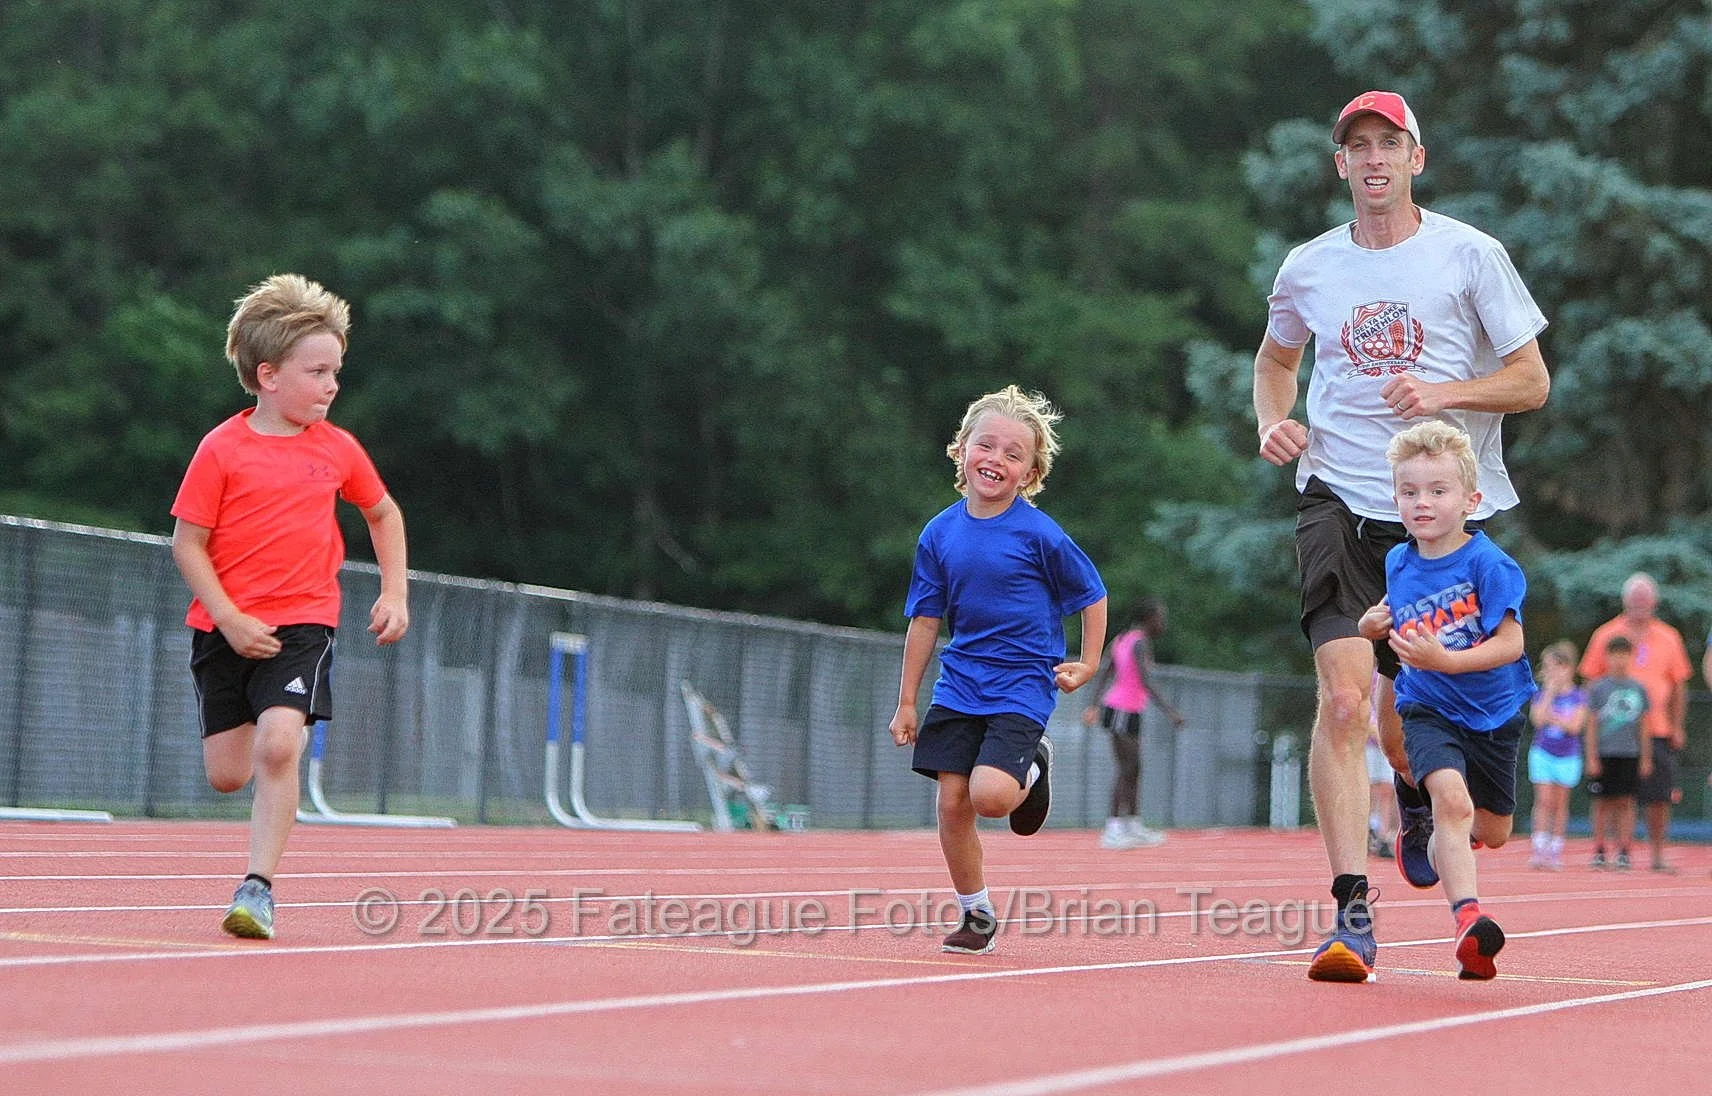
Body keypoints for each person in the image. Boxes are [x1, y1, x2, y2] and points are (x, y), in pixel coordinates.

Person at [1252, 90, 1550, 983]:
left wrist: (1442, 394)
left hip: (1441, 520)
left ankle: (1418, 796)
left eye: (1390, 144)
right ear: (1339, 165)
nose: (1373, 159)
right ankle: (1349, 913)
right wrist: (1274, 419)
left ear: (1416, 157)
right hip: (1340, 501)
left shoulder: (1470, 255)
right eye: (1358, 147)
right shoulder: (1308, 267)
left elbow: (1531, 380)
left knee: (1408, 730)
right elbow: (1276, 359)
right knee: (1344, 702)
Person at [171, 274, 410, 939]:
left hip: (305, 621)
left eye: (336, 370)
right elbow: (188, 544)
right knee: (227, 775)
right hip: (224, 628)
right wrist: (227, 617)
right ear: (269, 376)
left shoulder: (337, 449)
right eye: (318, 371)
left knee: (281, 744)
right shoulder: (221, 450)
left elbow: (382, 513)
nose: (332, 384)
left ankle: (258, 887)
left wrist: (395, 591)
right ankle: (257, 768)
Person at [889, 385, 1107, 954]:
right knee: (951, 802)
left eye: (1014, 454)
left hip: (1022, 681)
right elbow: (925, 620)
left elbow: (1093, 593)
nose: (996, 460)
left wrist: (1088, 662)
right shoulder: (939, 533)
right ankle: (975, 913)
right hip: (960, 682)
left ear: (1031, 472)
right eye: (986, 446)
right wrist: (908, 699)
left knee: (989, 797)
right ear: (961, 449)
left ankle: (1033, 764)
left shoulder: (1040, 534)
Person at [1357, 421, 1533, 980]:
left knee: (1494, 832)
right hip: (1427, 706)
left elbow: (1512, 642)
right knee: (1452, 803)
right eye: (1409, 492)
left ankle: (1426, 829)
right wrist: (1369, 624)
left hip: (1494, 710)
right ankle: (1469, 923)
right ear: (1396, 500)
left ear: (1470, 500)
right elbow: (1398, 608)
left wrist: (1449, 659)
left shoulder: (1490, 564)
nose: (1422, 503)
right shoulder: (1399, 561)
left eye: (1438, 491)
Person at [1576, 573, 1691, 872]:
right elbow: (1590, 683)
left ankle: (1657, 855)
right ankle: (1613, 851)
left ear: (1654, 602)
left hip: (1657, 729)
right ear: (1625, 600)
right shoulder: (1605, 635)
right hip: (1612, 734)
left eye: (1645, 599)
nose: (1640, 605)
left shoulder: (1669, 637)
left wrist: (1677, 726)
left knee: (1659, 796)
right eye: (1635, 599)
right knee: (1612, 796)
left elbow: (1679, 686)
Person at [1081, 598, 1184, 849]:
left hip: (1128, 710)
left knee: (1135, 767)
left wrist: (1094, 705)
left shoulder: (1121, 639)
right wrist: (1171, 712)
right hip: (1120, 709)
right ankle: (1113, 828)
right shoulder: (1139, 642)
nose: (1162, 623)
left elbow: (1105, 672)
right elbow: (1144, 680)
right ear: (1148, 618)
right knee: (1126, 767)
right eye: (1160, 618)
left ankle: (1133, 825)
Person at [1582, 635, 1650, 870]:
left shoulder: (1638, 688)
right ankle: (1600, 848)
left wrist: (1645, 757)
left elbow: (1643, 726)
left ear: (1631, 657)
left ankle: (1624, 849)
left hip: (1629, 753)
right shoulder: (1598, 688)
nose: (1619, 660)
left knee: (1626, 802)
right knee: (1601, 802)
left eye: (1624, 655)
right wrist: (1591, 756)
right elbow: (1591, 725)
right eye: (1615, 654)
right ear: (1607, 657)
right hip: (1604, 752)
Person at [1526, 641, 1586, 870]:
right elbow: (1538, 720)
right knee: (1543, 800)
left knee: (1560, 804)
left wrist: (1556, 718)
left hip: (1568, 756)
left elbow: (1574, 727)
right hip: (1543, 752)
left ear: (1568, 668)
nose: (1551, 672)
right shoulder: (1541, 695)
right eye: (1547, 667)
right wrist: (1550, 694)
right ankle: (1539, 846)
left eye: (1556, 667)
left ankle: (1555, 848)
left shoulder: (1579, 696)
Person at [1365, 672, 1400, 858]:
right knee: (1370, 789)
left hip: (1389, 738)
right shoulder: (1370, 675)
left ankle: (1383, 834)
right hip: (1372, 741)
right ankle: (1369, 830)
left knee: (1387, 789)